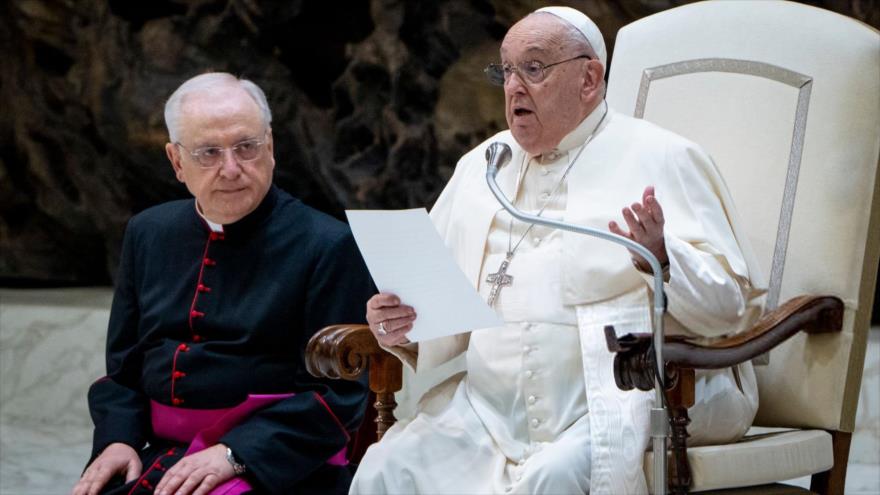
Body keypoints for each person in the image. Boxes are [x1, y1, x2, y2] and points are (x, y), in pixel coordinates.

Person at [350, 6, 765, 494]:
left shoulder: (663, 157)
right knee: (385, 469)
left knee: (553, 478)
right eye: (505, 71)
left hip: (609, 400)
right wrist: (401, 324)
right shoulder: (483, 165)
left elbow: (732, 308)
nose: (513, 87)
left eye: (534, 68)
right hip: (487, 412)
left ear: (589, 78)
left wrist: (663, 257)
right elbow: (440, 313)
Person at [73, 73, 375, 495]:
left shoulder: (328, 244)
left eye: (246, 147)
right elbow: (124, 369)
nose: (231, 169)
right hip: (161, 451)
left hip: (276, 460)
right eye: (208, 152)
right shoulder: (148, 232)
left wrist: (235, 453)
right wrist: (117, 438)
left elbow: (338, 396)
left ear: (270, 148)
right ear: (177, 162)